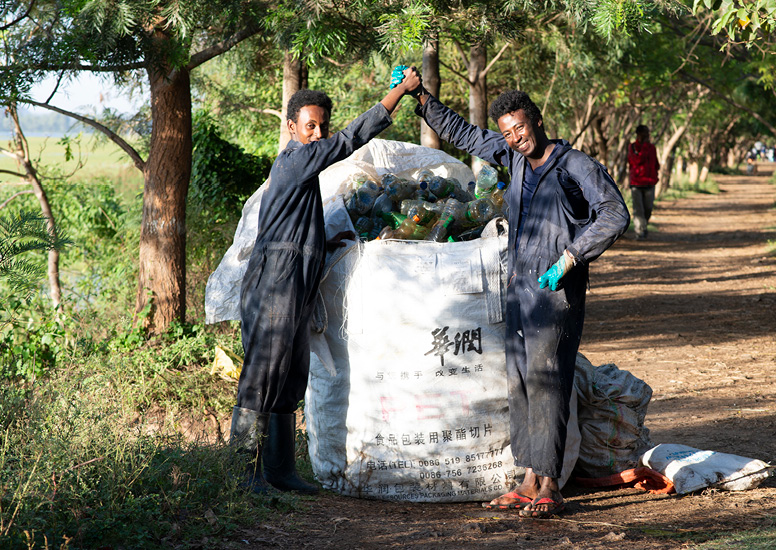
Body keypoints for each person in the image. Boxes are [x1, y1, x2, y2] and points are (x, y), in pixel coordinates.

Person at [405, 77, 629, 518]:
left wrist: (572, 257)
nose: (514, 137)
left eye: (520, 128)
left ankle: (551, 485)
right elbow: (464, 133)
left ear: (537, 121)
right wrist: (422, 100)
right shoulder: (512, 156)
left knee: (548, 383)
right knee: (522, 384)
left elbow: (615, 212)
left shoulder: (573, 165)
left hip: (556, 290)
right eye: (507, 132)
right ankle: (528, 478)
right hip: (519, 288)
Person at [232, 68, 423, 494]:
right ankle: (241, 475)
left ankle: (279, 472)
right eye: (309, 126)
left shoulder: (303, 172)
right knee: (262, 375)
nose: (317, 134)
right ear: (291, 128)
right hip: (274, 286)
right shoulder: (296, 159)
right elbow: (351, 139)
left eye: (322, 126)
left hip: (296, 285)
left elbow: (296, 226)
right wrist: (397, 93)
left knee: (290, 376)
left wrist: (325, 237)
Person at [627, 125, 659, 240]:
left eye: (648, 133)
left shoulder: (652, 148)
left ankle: (643, 227)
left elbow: (656, 163)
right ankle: (640, 232)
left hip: (650, 183)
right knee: (638, 209)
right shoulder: (633, 147)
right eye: (645, 133)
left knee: (648, 208)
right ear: (639, 134)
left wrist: (655, 175)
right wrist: (644, 146)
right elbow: (636, 162)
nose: (647, 135)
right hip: (636, 183)